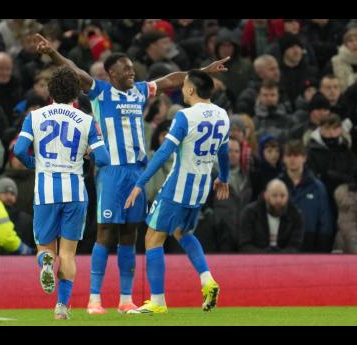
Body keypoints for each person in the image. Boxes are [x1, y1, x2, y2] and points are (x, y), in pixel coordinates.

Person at [35, 33, 230, 314]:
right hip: (112, 172)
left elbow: (172, 79)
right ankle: (94, 299)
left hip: (137, 168)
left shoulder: (140, 90)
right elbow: (75, 72)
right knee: (105, 233)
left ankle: (125, 299)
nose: (131, 71)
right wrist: (52, 52)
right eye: (124, 69)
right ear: (110, 73)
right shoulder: (100, 91)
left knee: (130, 235)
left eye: (131, 68)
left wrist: (202, 72)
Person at [124, 70, 230, 314]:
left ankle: (158, 301)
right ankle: (207, 281)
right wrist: (224, 177)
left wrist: (140, 182)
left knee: (152, 238)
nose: (182, 90)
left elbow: (163, 153)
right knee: (183, 232)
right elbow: (223, 154)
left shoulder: (185, 116)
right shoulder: (223, 116)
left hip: (179, 186)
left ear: (191, 89)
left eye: (184, 86)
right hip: (202, 187)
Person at [13, 66, 110, 320]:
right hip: (75, 191)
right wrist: (87, 153)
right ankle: (62, 308)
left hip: (45, 190)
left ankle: (46, 261)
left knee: (46, 248)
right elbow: (103, 159)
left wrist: (38, 165)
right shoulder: (87, 120)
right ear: (77, 93)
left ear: (50, 90)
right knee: (68, 253)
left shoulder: (34, 117)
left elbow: (19, 150)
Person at [279, 140, 334, 252]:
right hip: (282, 244)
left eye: (296, 155)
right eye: (289, 155)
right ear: (284, 158)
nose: (292, 159)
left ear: (304, 158)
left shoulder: (317, 187)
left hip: (311, 242)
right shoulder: (276, 185)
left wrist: (323, 250)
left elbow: (325, 221)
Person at [239, 179, 304, 253]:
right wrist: (265, 256)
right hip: (256, 260)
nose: (279, 200)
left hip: (285, 261)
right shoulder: (250, 213)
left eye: (283, 196)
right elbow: (244, 245)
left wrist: (279, 257)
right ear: (266, 195)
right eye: (274, 195)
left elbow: (295, 246)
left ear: (288, 196)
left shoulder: (295, 215)